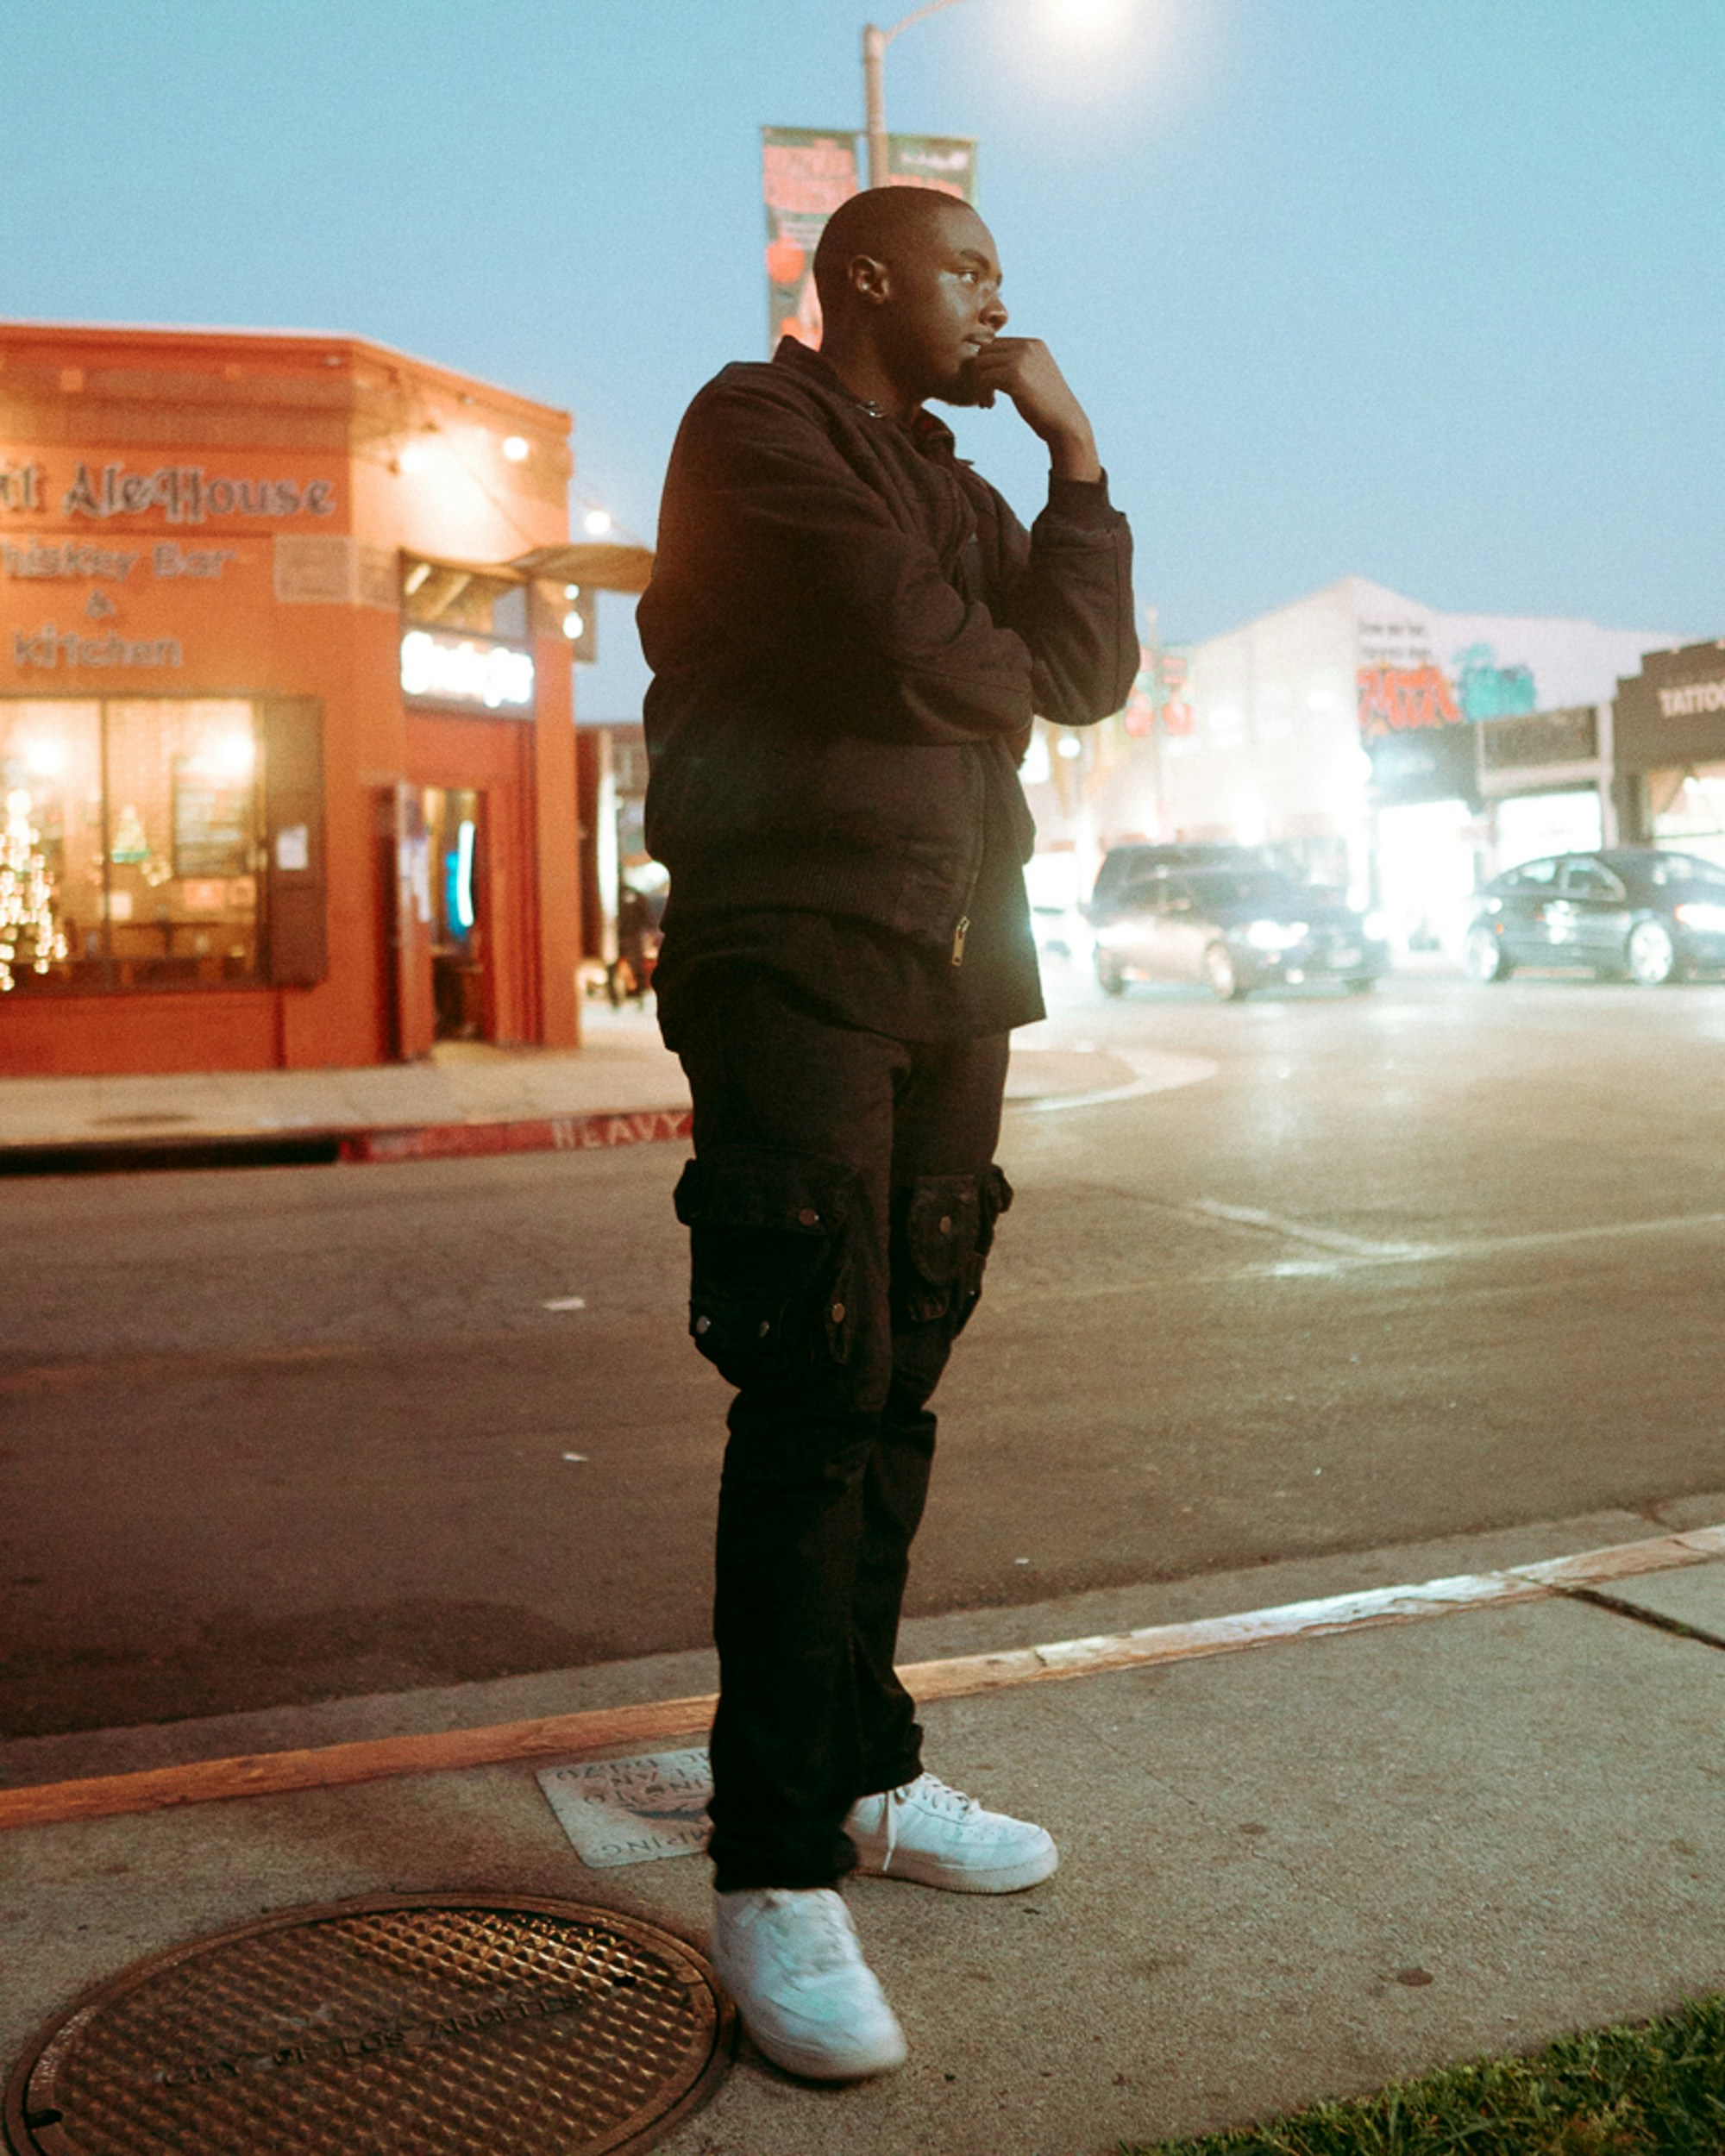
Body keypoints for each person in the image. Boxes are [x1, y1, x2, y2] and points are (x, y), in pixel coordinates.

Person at [638, 185, 1135, 2080]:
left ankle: (864, 1774)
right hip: (797, 954)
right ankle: (770, 1866)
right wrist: (980, 667)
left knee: (901, 1372)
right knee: (815, 1377)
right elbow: (901, 645)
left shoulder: (953, 475)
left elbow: (1074, 672)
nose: (1000, 300)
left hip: (953, 968)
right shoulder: (750, 429)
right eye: (972, 271)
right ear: (866, 277)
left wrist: (1077, 461)